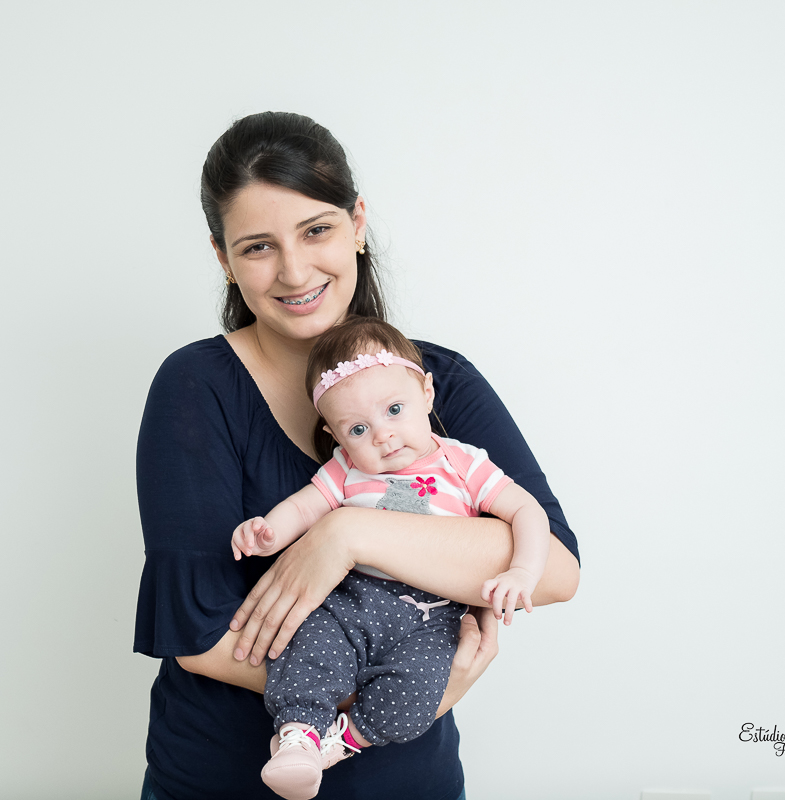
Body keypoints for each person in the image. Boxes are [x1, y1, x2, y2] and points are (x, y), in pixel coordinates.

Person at [134, 111, 580, 800]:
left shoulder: (439, 380)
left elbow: (554, 570)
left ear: (357, 223)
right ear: (223, 258)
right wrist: (392, 697)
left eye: (316, 230)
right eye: (257, 247)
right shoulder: (197, 388)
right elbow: (196, 633)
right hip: (223, 784)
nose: (294, 270)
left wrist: (351, 532)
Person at [232, 316, 551, 800]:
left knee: (418, 690)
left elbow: (526, 510)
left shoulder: (462, 463)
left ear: (426, 393)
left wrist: (523, 570)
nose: (382, 435)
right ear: (336, 436)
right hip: (353, 599)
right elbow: (304, 506)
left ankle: (343, 741)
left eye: (394, 409)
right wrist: (267, 532)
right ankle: (297, 736)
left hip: (433, 613)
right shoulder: (344, 469)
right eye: (358, 428)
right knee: (310, 650)